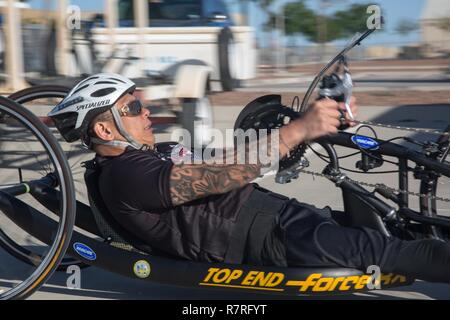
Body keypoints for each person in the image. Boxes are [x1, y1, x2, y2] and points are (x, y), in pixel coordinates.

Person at [49, 73, 450, 283]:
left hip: (281, 218)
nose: (147, 111)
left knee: (402, 228)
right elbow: (217, 177)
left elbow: (227, 157)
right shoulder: (124, 175)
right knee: (401, 254)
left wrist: (309, 122)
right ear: (105, 130)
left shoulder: (152, 153)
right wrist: (298, 131)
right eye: (134, 107)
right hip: (271, 239)